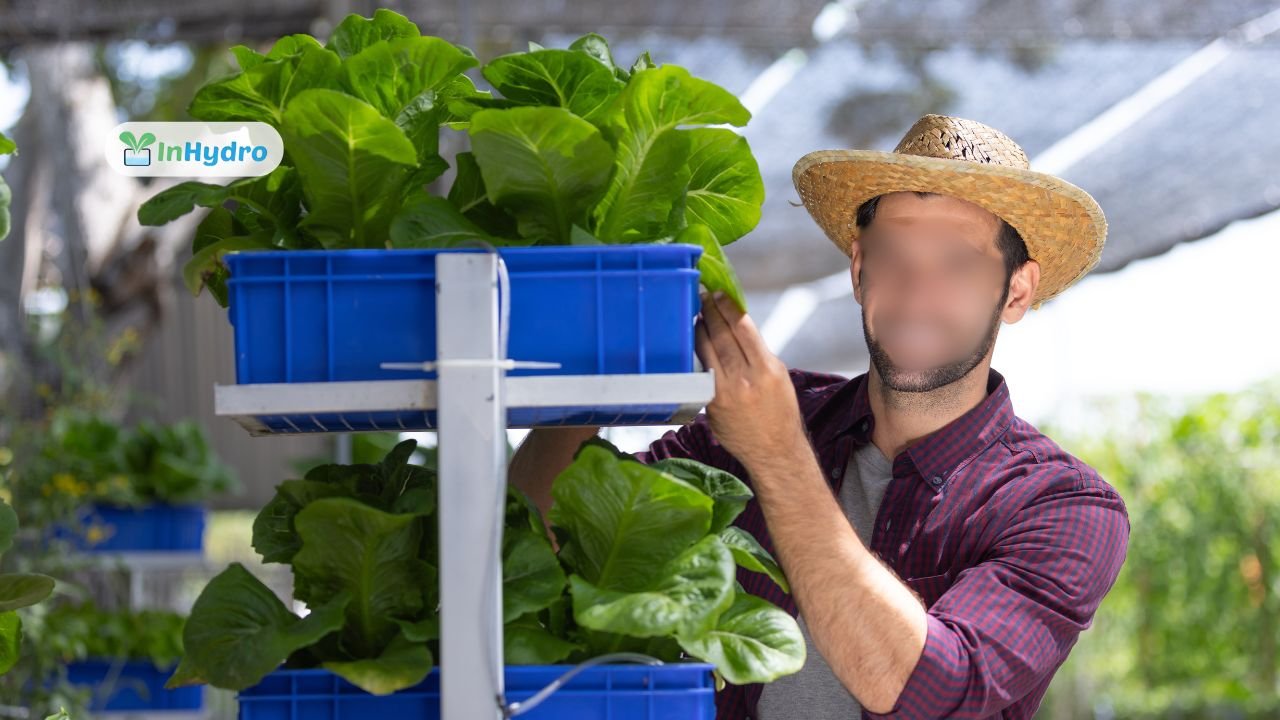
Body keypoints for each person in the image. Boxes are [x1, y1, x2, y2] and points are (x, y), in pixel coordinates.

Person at [509, 114, 1130, 719]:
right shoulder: (774, 415)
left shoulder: (1062, 506)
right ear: (859, 270)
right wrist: (589, 336)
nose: (916, 289)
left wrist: (776, 452)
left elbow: (926, 686)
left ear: (1016, 292)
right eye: (893, 255)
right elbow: (552, 531)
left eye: (957, 263)